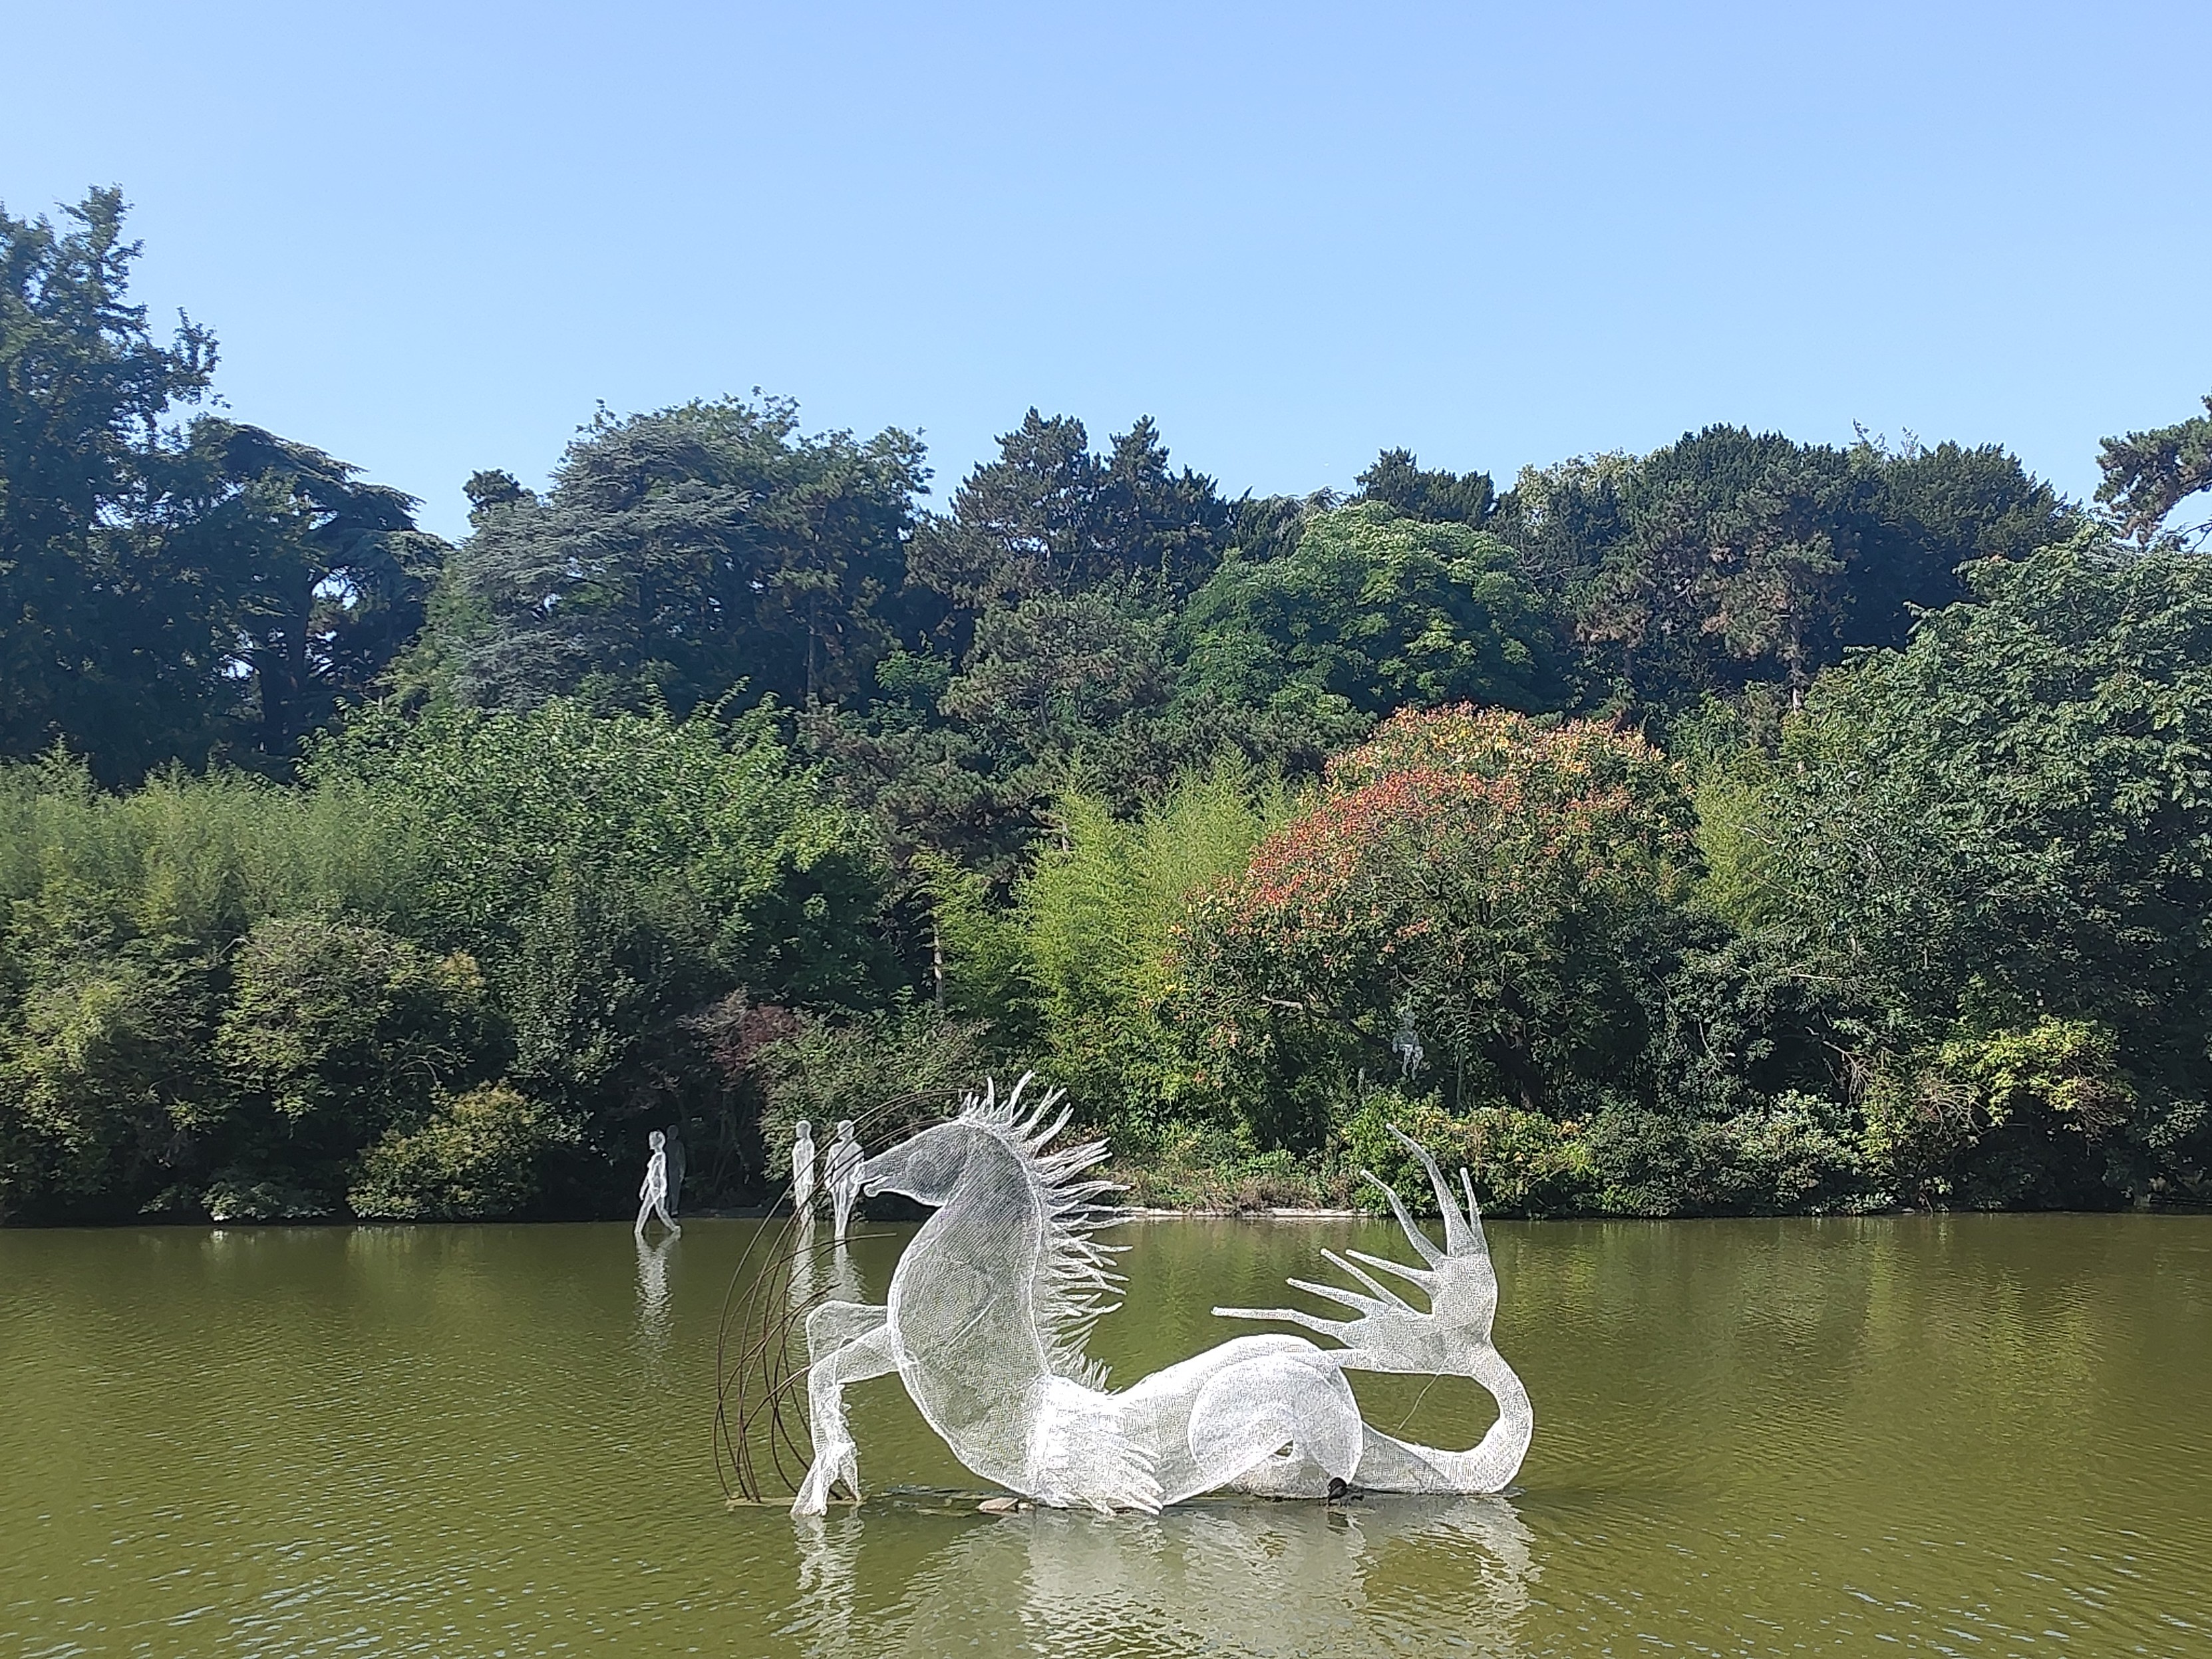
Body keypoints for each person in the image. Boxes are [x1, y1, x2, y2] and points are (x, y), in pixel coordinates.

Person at [636, 1129, 681, 1240]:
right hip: (654, 1187)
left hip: (656, 1187)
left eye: (651, 1140)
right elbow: (649, 1175)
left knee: (647, 1209)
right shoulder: (656, 1157)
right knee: (660, 1210)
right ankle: (674, 1228)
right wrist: (643, 1188)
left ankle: (638, 1231)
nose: (649, 1142)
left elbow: (661, 1174)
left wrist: (661, 1188)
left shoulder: (660, 1156)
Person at [826, 1120, 864, 1242]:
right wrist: (828, 1182)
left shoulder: (857, 1149)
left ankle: (840, 1233)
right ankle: (838, 1232)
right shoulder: (834, 1148)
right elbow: (829, 1168)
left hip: (850, 1182)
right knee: (838, 1208)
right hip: (837, 1181)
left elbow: (859, 1170)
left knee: (845, 1208)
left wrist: (856, 1186)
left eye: (843, 1129)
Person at [791, 1120, 818, 1216]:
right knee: (799, 1194)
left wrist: (807, 1176)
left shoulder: (809, 1144)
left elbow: (810, 1160)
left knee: (806, 1195)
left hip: (805, 1173)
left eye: (799, 1129)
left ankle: (807, 1216)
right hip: (798, 1173)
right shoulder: (798, 1144)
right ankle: (801, 1215)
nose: (797, 1131)